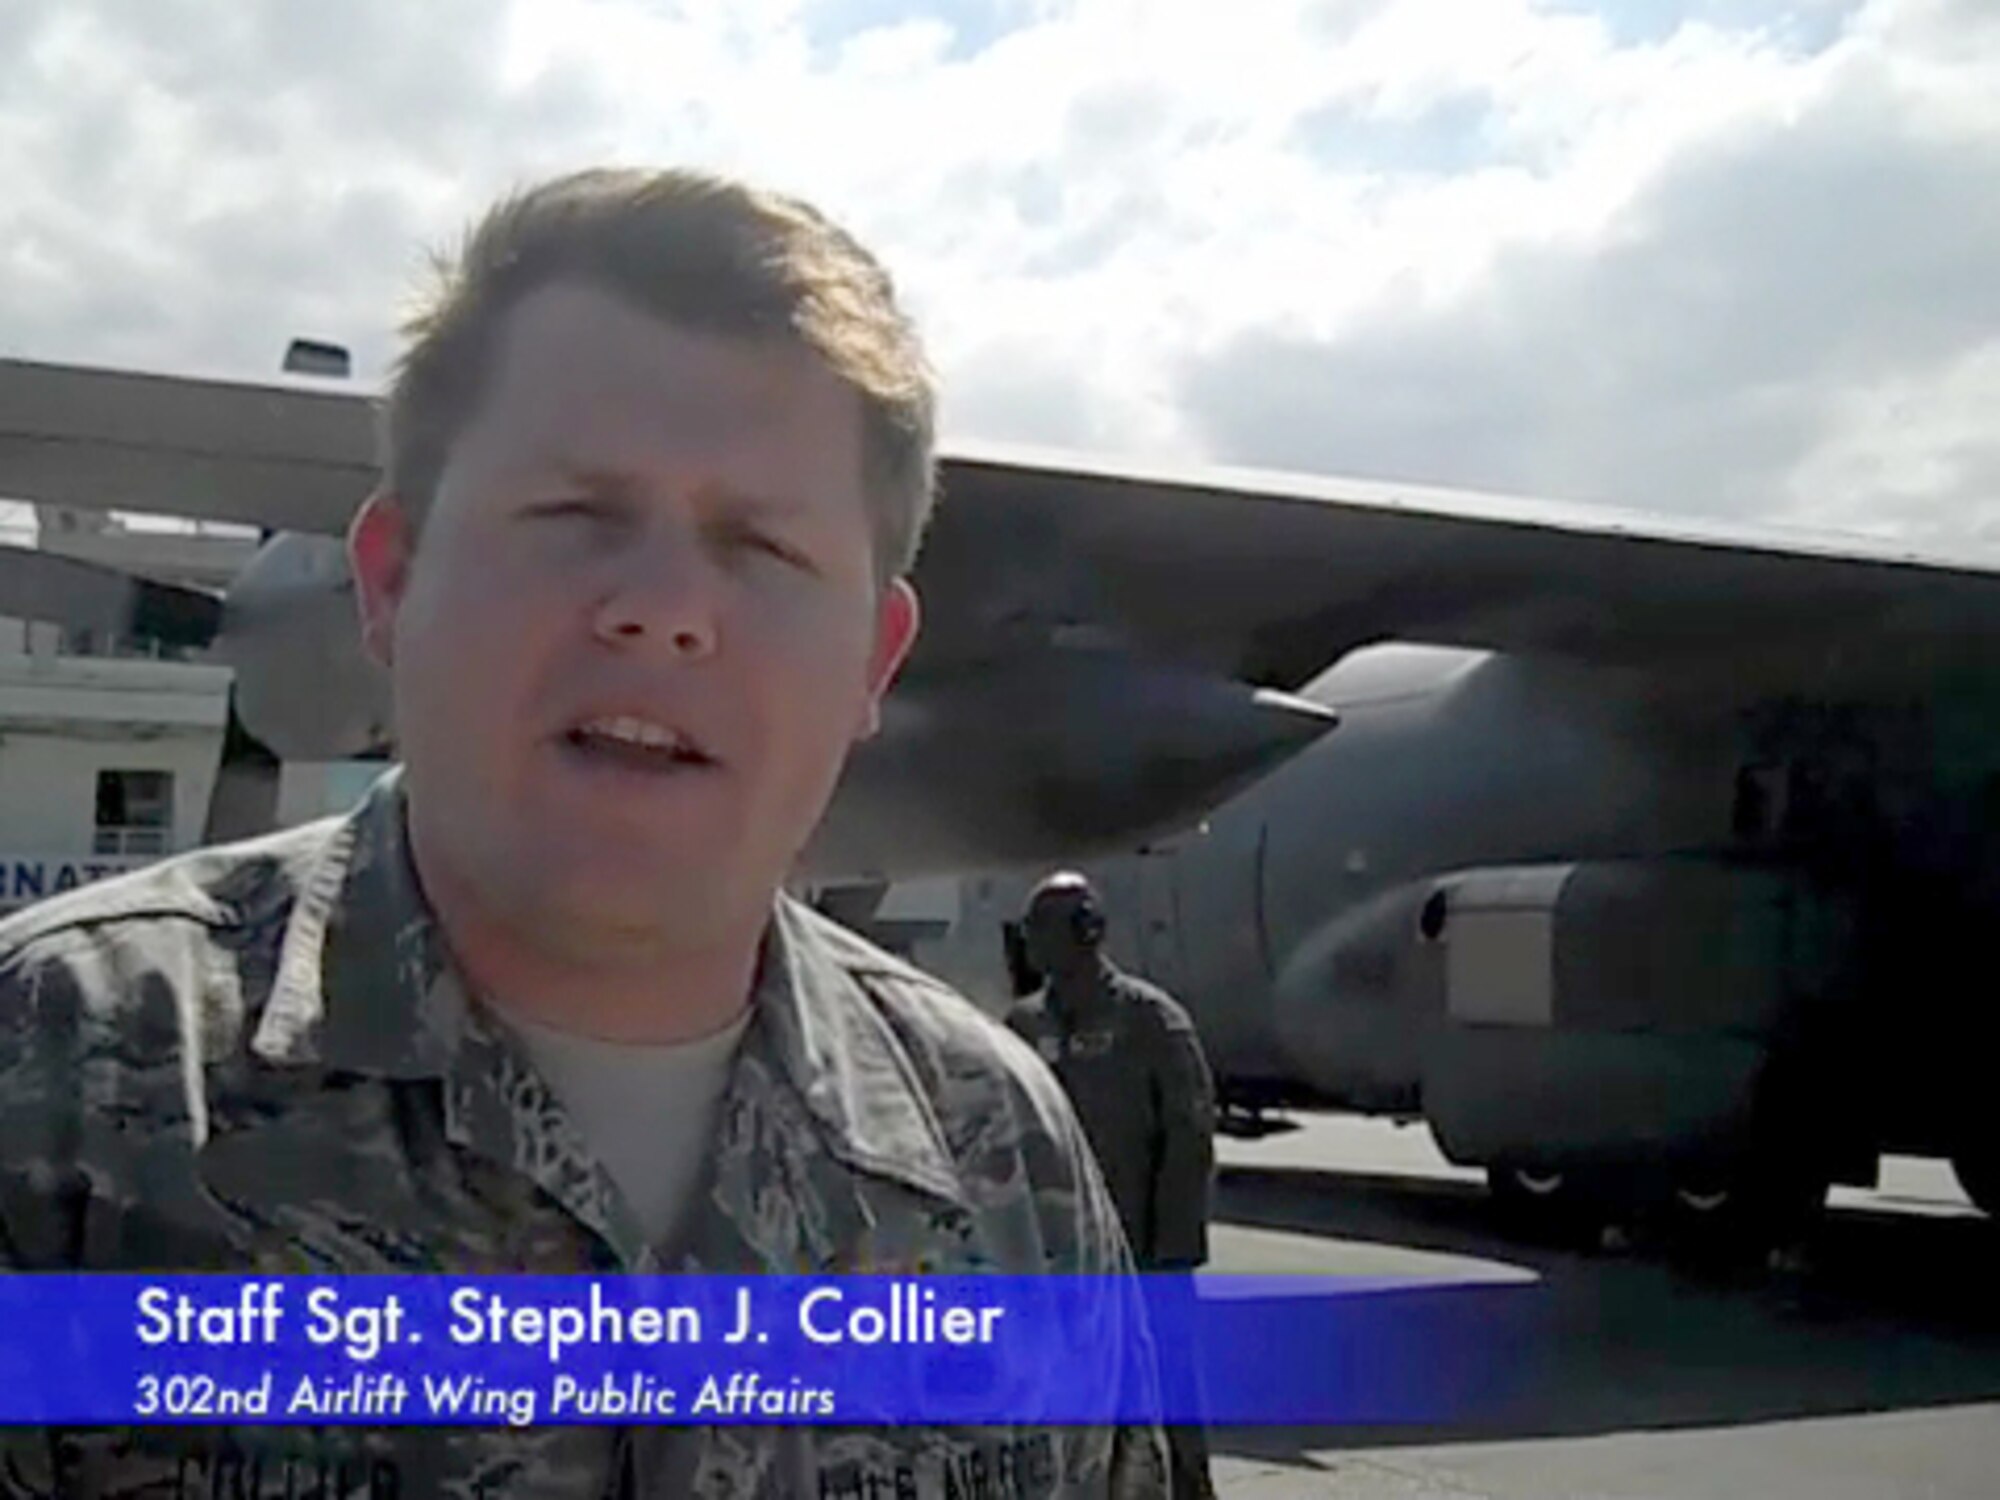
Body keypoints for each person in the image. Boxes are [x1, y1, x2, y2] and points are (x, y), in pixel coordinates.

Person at [0, 168, 1167, 1497]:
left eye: (765, 549)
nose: (664, 609)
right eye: (574, 517)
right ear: (390, 582)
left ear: (872, 663)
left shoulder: (998, 1154)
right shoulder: (58, 1073)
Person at [1005, 872, 1219, 1500]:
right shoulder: (1021, 1029)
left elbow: (1189, 1139)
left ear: (1087, 932)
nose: (1034, 944)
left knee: (1168, 1399)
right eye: (1030, 931)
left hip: (1143, 1254)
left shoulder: (1150, 1023)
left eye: (1045, 929)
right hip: (1055, 1261)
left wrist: (1170, 1254)